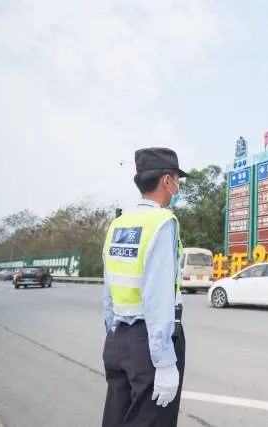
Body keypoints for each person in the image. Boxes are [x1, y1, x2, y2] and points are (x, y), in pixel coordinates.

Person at [101, 147, 188, 427]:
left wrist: (114, 334)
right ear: (166, 180)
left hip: (117, 340)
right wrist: (163, 361)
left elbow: (108, 291)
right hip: (148, 343)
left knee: (116, 417)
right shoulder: (162, 222)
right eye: (177, 179)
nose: (178, 186)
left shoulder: (119, 224)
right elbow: (158, 295)